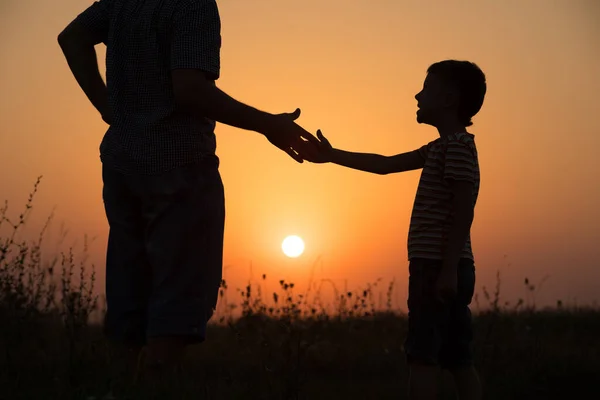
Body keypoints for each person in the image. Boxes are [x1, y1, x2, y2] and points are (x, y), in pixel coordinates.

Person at [57, 0, 319, 384]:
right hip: (178, 164)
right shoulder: (192, 5)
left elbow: (72, 37)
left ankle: (122, 387)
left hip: (121, 163)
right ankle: (157, 386)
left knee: (130, 286)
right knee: (179, 293)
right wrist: (268, 125)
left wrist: (106, 105)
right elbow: (191, 90)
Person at [307, 60, 486, 400]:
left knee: (423, 357)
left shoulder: (458, 147)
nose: (417, 95)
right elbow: (386, 165)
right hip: (444, 266)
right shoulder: (439, 148)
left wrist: (447, 270)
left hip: (438, 266)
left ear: (448, 99)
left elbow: (464, 211)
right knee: (457, 357)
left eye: (426, 89)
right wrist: (332, 155)